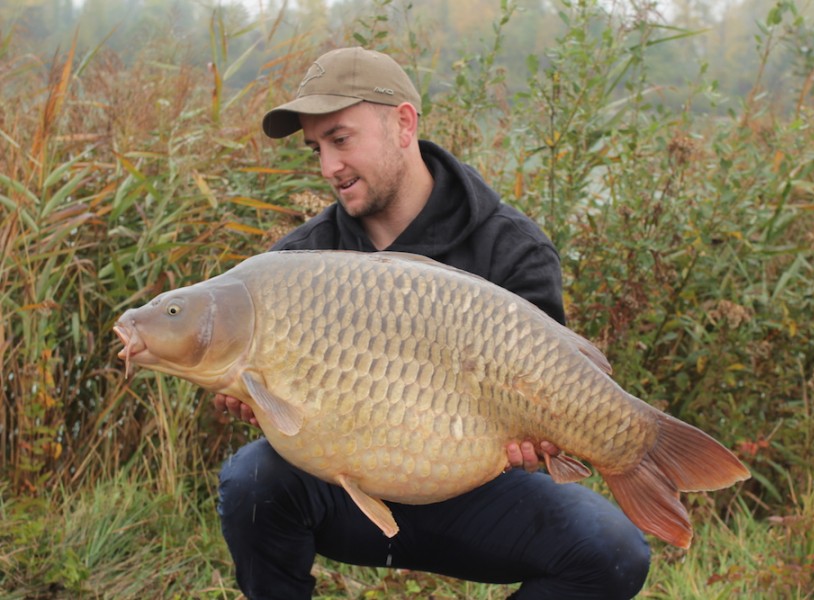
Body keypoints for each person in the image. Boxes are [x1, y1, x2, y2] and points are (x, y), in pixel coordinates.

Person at [214, 46, 650, 600]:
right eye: (316, 148)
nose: (328, 168)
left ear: (402, 123)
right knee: (253, 479)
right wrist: (252, 395)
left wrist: (537, 440)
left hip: (478, 496)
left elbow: (548, 402)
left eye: (341, 139)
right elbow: (279, 408)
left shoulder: (513, 248)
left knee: (613, 550)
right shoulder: (299, 263)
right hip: (345, 493)